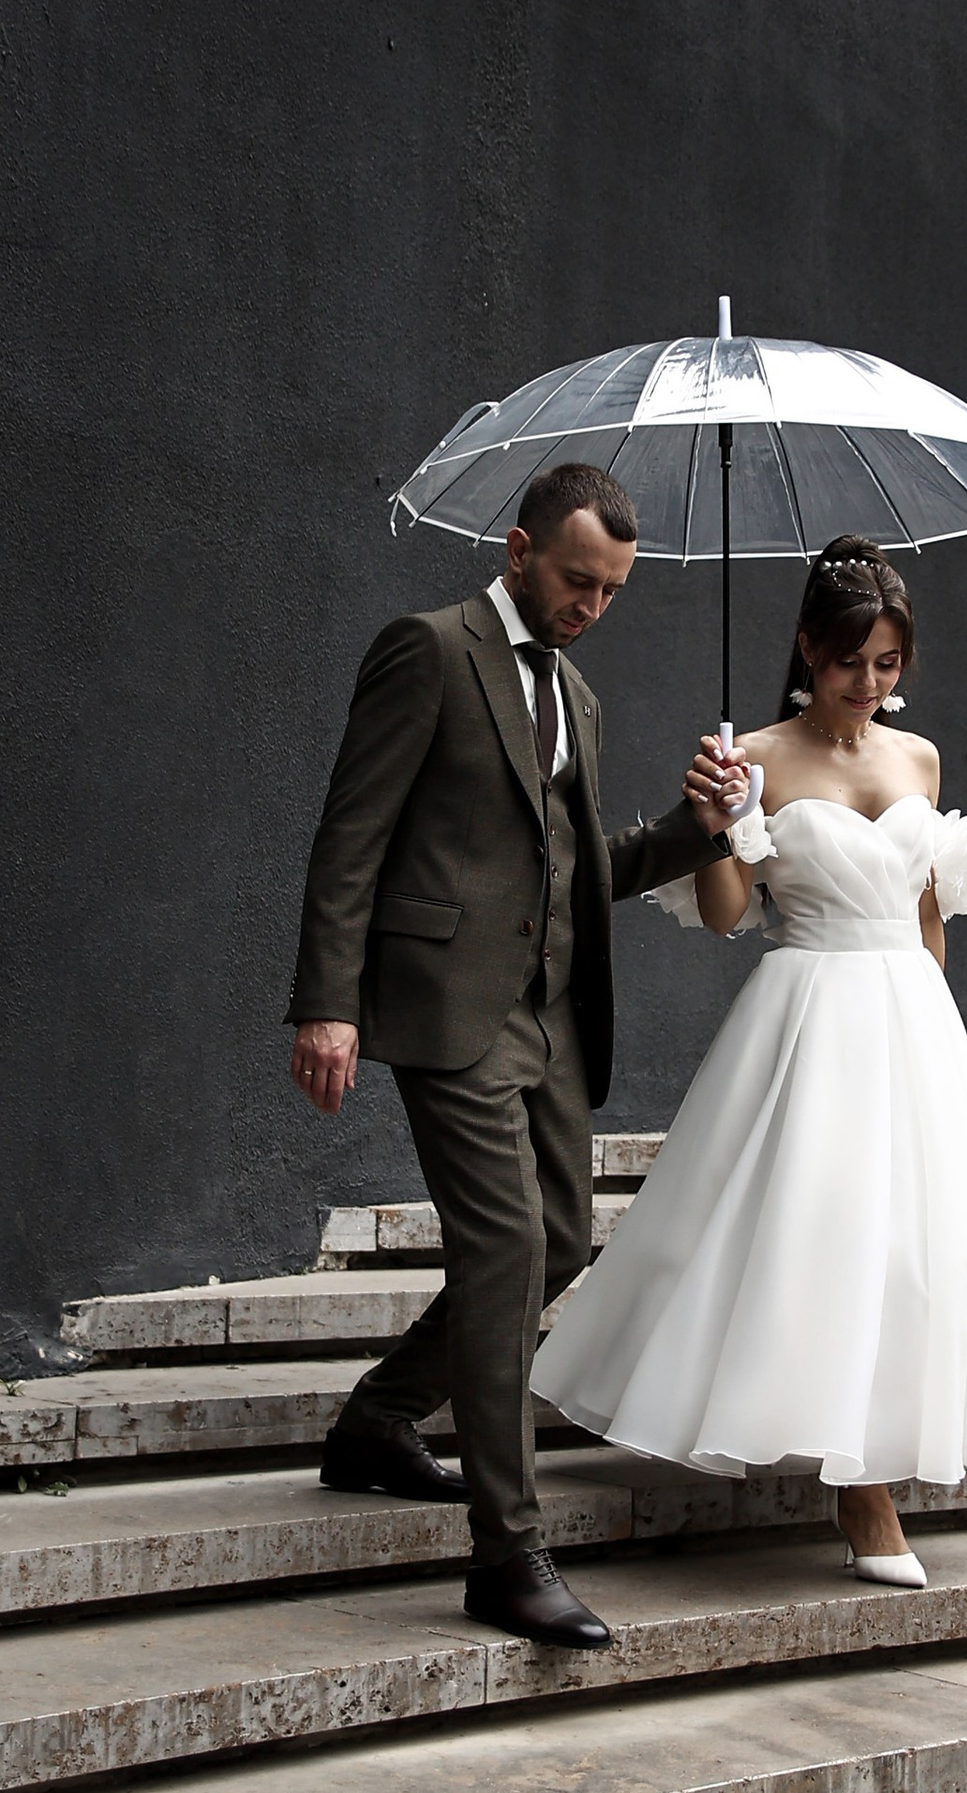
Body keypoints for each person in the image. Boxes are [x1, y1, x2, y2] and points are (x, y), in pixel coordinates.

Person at [286, 461, 747, 1647]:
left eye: (612, 590)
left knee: (557, 1245)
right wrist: (327, 1003)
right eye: (578, 580)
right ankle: (508, 1553)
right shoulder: (429, 650)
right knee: (501, 1247)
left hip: (548, 1015)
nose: (592, 605)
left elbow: (580, 866)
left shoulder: (575, 696)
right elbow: (352, 832)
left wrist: (695, 830)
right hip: (446, 1005)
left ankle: (378, 1420)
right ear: (518, 551)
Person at [529, 537, 967, 1587]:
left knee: (928, 1249)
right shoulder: (751, 756)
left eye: (887, 664)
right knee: (819, 1236)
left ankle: (869, 1453)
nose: (868, 684)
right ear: (806, 646)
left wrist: (936, 1033)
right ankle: (860, 1492)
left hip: (910, 1020)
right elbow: (722, 917)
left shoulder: (918, 759)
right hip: (809, 1013)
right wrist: (723, 823)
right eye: (849, 662)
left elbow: (928, 917)